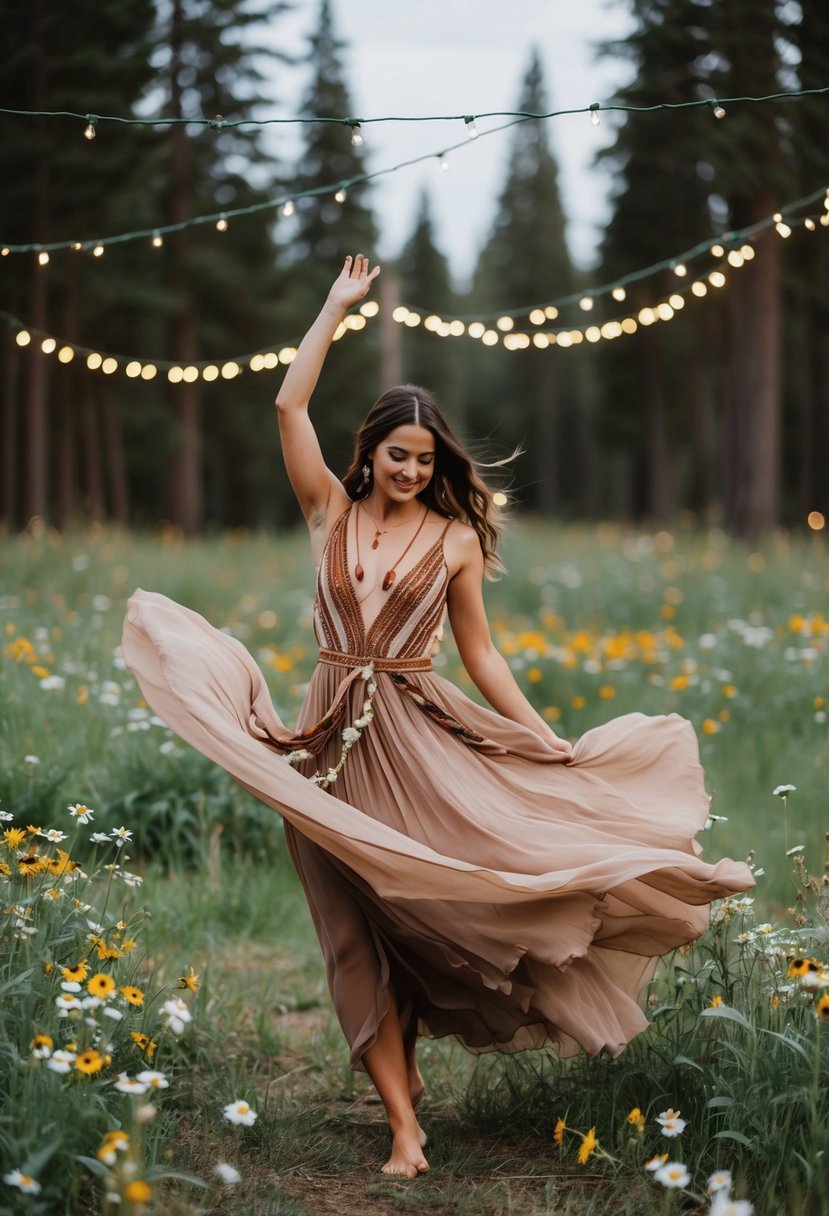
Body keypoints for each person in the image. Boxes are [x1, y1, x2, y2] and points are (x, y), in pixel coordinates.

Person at [122, 254, 754, 1179]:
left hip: (415, 743)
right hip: (324, 745)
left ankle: (409, 1076)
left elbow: (481, 655)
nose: (413, 470)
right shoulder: (326, 513)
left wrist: (542, 739)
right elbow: (287, 408)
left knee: (416, 913)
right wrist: (334, 311)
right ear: (370, 452)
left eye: (425, 459)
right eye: (398, 456)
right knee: (346, 927)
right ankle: (403, 1126)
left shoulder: (455, 538)